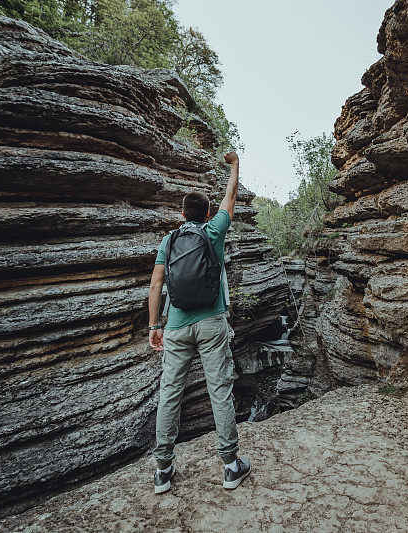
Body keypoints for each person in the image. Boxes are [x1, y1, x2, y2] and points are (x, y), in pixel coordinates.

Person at [147, 150, 251, 494]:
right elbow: (231, 196)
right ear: (207, 213)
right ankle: (230, 466)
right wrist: (234, 165)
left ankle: (163, 470)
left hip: (176, 326)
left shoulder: (169, 240)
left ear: (181, 214)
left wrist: (154, 326)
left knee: (170, 393)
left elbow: (156, 285)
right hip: (212, 321)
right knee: (219, 391)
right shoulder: (214, 230)